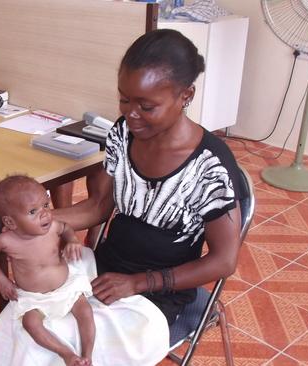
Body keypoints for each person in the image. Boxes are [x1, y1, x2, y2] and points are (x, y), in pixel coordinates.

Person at [54, 28, 248, 325]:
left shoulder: (210, 166)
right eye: (124, 101)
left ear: (186, 96)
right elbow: (99, 206)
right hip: (104, 268)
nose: (131, 114)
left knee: (71, 339)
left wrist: (137, 283)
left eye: (146, 106)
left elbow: (224, 261)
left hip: (159, 293)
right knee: (33, 311)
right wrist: (46, 222)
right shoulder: (123, 133)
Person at [0, 175, 96, 366]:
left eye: (46, 205)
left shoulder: (53, 227)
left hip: (66, 286)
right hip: (34, 297)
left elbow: (67, 229)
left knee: (85, 311)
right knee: (31, 324)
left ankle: (87, 354)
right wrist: (1, 279)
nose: (44, 214)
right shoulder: (6, 241)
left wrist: (73, 240)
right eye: (33, 211)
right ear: (10, 222)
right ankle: (66, 354)